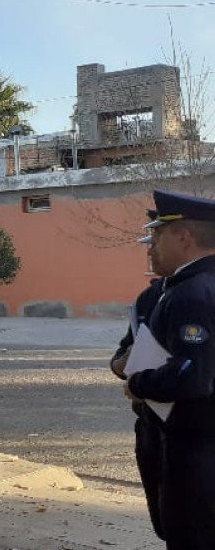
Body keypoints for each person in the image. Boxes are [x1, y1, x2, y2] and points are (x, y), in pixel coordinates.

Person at [126, 190, 215, 549]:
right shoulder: (183, 288)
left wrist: (138, 382)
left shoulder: (192, 293)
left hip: (195, 446)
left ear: (184, 237)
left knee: (191, 537)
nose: (152, 245)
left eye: (158, 234)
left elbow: (191, 375)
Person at [109, 229, 165, 539]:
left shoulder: (201, 294)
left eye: (157, 242)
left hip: (192, 428)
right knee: (165, 521)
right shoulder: (150, 297)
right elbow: (122, 353)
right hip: (149, 426)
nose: (149, 251)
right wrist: (123, 363)